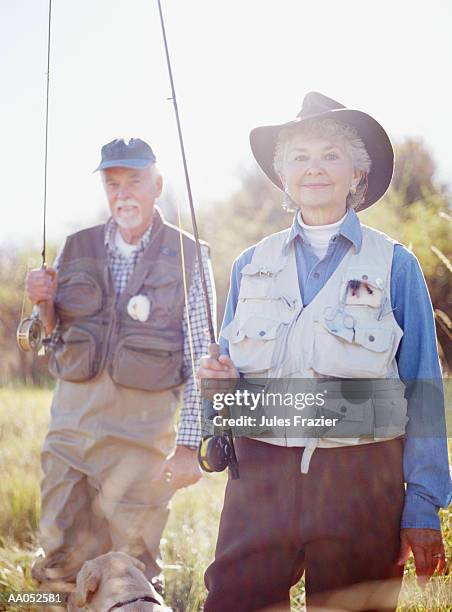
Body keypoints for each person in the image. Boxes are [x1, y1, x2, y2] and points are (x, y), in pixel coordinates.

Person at [198, 92, 451, 611]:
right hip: (259, 480)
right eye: (300, 156)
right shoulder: (249, 265)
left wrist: (423, 505)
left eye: (330, 155)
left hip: (362, 484)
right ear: (284, 176)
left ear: (357, 175)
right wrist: (218, 393)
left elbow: (424, 390)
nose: (314, 168)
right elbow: (225, 391)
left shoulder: (395, 266)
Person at [26, 138, 214, 597]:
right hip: (69, 441)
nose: (123, 194)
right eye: (113, 184)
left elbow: (201, 359)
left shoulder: (191, 256)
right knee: (59, 570)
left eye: (134, 182)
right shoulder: (76, 246)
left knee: (131, 575)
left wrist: (189, 445)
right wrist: (43, 306)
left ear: (158, 185)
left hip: (140, 448)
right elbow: (50, 341)